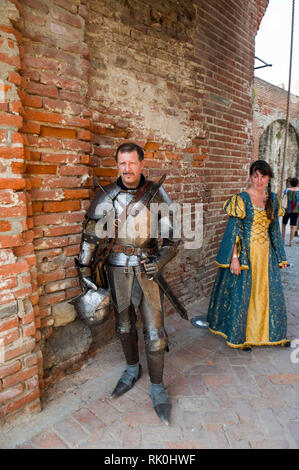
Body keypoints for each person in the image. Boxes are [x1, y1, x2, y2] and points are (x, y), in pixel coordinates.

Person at [74, 142, 180, 425]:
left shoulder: (157, 195)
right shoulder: (106, 196)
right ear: (117, 165)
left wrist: (160, 260)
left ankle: (157, 388)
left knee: (156, 336)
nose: (127, 168)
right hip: (117, 269)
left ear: (142, 164)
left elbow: (173, 239)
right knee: (123, 327)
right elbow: (91, 239)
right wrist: (84, 270)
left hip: (147, 270)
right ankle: (132, 368)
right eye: (122, 163)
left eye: (132, 163)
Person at [205, 160, 290, 350]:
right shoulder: (241, 199)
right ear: (250, 176)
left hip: (265, 255)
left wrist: (281, 257)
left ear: (269, 178)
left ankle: (271, 335)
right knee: (244, 295)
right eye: (255, 176)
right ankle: (241, 337)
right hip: (246, 255)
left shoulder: (274, 200)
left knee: (269, 295)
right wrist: (234, 258)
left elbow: (274, 231)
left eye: (263, 176)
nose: (259, 180)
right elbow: (234, 230)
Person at [281, 177, 299, 247]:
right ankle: (291, 242)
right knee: (293, 226)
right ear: (297, 184)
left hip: (287, 210)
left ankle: (282, 239)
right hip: (296, 210)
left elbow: (283, 197)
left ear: (290, 183)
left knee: (284, 224)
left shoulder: (287, 190)